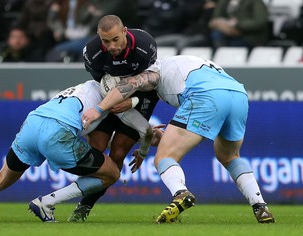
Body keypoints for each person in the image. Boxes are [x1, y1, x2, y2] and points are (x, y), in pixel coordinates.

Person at [81, 55, 276, 224]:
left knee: (164, 157)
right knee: (230, 156)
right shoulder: (184, 61)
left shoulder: (153, 70)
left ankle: (180, 193)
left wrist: (102, 107)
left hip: (205, 94)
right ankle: (260, 205)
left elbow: (136, 84)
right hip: (238, 94)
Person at [0, 80, 126, 222]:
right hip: (57, 132)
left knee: (0, 178)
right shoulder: (108, 98)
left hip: (33, 122)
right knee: (111, 173)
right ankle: (47, 202)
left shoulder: (82, 87)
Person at [67, 14, 159, 222]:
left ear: (125, 31)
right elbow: (102, 84)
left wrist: (132, 102)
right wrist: (110, 103)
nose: (111, 46)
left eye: (115, 39)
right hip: (108, 99)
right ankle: (77, 198)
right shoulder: (93, 53)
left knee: (117, 154)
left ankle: (85, 206)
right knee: (97, 150)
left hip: (141, 98)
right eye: (105, 41)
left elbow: (153, 82)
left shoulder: (145, 46)